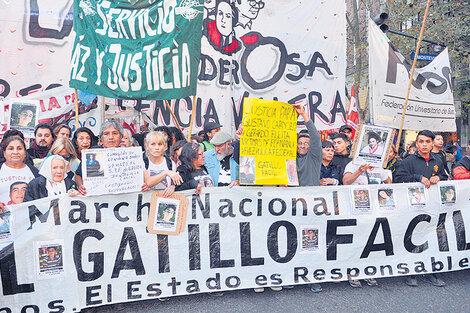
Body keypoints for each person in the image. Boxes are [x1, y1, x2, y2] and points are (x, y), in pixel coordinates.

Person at [394, 130, 447, 287]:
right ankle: (411, 272)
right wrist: (417, 178)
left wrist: (440, 177)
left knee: (433, 238)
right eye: (421, 141)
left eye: (427, 142)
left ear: (432, 144)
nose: (424, 144)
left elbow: (445, 177)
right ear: (416, 144)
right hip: (413, 208)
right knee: (412, 239)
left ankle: (432, 272)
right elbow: (398, 179)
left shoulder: (438, 160)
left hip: (433, 206)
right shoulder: (408, 161)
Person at [0, 136, 39, 206]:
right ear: (4, 153)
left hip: (29, 216)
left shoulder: (35, 173)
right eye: (11, 149)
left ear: (25, 153)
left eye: (19, 148)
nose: (15, 152)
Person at [143, 131, 182, 197]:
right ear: (146, 146)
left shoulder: (170, 163)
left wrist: (173, 187)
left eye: (160, 144)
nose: (157, 148)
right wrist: (165, 173)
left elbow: (174, 182)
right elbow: (148, 182)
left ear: (165, 146)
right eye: (153, 144)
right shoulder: (142, 160)